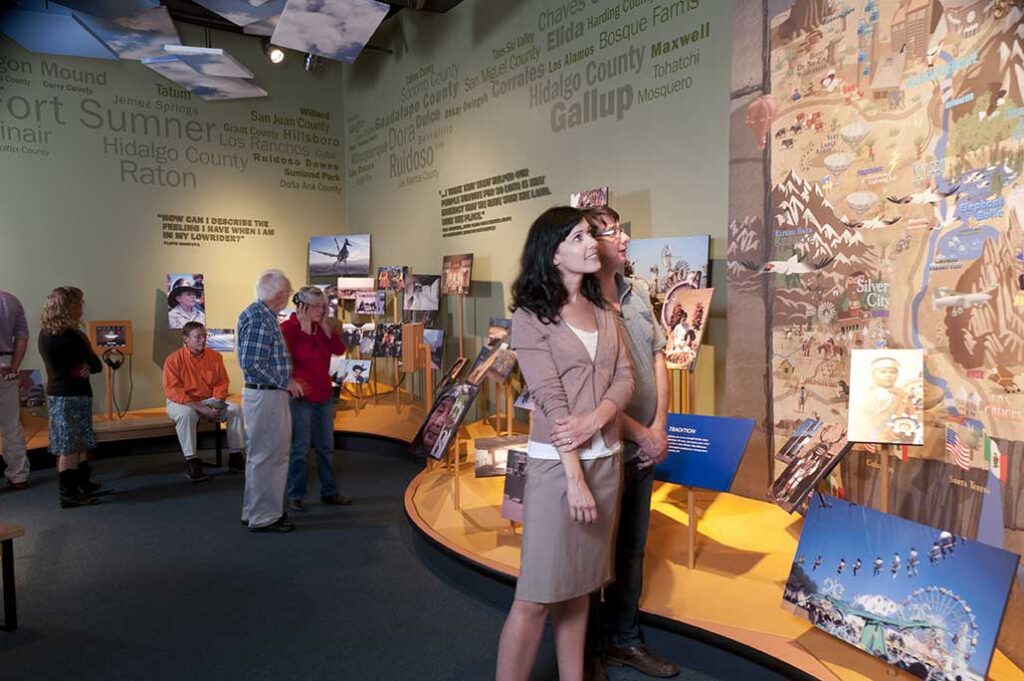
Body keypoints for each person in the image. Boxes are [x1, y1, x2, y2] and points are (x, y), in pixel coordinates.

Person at [495, 206, 634, 681]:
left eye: (590, 235)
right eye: (578, 237)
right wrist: (575, 480)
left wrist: (596, 418)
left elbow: (624, 378)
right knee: (535, 595)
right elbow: (552, 405)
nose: (591, 243)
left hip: (607, 463)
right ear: (553, 254)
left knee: (580, 589)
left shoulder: (604, 310)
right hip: (559, 470)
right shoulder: (531, 318)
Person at [581, 207, 678, 680]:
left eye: (622, 228)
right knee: (594, 553)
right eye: (615, 231)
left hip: (645, 446)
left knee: (633, 549)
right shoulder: (580, 307)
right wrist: (640, 434)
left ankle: (624, 640)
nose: (625, 238)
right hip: (605, 447)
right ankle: (588, 649)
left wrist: (659, 423)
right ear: (591, 244)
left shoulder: (638, 293)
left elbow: (659, 357)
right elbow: (592, 393)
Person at [237, 269, 300, 534]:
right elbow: (251, 363)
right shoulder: (261, 318)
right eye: (288, 293)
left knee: (259, 456)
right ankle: (265, 516)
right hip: (267, 396)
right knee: (271, 457)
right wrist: (284, 381)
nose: (288, 298)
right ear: (280, 294)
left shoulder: (258, 314)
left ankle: (254, 511)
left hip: (264, 395)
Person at [281, 286, 350, 512]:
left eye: (324, 306)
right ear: (301, 306)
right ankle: (295, 495)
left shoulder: (322, 326)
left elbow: (339, 350)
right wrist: (303, 330)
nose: (322, 310)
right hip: (301, 397)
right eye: (316, 306)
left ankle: (329, 492)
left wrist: (327, 331)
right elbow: (301, 357)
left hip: (324, 395)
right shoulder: (288, 329)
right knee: (300, 449)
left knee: (326, 447)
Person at [37, 286, 103, 508]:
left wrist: (86, 364)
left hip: (60, 394)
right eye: (79, 303)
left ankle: (82, 484)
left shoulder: (45, 334)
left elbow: (85, 365)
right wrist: (87, 363)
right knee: (70, 446)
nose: (82, 308)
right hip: (72, 396)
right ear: (69, 307)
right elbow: (95, 365)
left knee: (76, 441)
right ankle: (69, 493)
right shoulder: (73, 336)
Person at [163, 322, 246, 482]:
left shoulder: (215, 357)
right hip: (182, 403)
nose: (202, 340)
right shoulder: (173, 360)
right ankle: (192, 461)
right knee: (186, 415)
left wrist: (216, 403)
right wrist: (201, 409)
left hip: (208, 401)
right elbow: (174, 391)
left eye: (204, 336)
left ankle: (235, 457)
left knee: (235, 410)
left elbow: (222, 383)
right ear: (185, 338)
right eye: (197, 337)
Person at [0, 289, 31, 490]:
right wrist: (14, 365)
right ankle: (18, 476)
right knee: (11, 424)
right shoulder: (11, 299)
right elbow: (22, 336)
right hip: (7, 363)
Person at [853, 356, 912, 442]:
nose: (888, 375)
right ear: (873, 374)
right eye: (883, 372)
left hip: (892, 435)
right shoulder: (864, 393)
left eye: (892, 372)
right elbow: (859, 418)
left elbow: (908, 418)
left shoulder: (902, 394)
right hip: (867, 434)